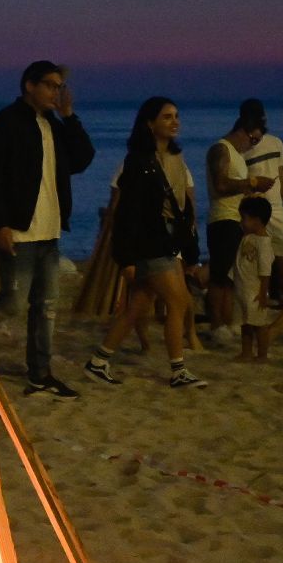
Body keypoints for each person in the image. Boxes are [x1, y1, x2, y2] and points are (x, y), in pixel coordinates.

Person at [0, 60, 96, 399]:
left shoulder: (54, 126)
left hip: (50, 231)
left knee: (47, 306)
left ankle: (40, 374)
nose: (57, 92)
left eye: (59, 87)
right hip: (19, 232)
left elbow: (83, 159)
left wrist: (70, 118)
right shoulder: (2, 125)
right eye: (51, 85)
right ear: (30, 85)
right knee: (11, 302)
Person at [82, 97, 207, 388]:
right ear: (149, 123)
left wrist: (190, 249)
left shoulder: (176, 157)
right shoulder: (138, 161)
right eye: (166, 117)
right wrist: (125, 258)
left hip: (169, 237)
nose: (175, 122)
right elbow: (126, 212)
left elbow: (184, 205)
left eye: (176, 116)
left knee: (138, 305)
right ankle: (178, 370)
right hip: (151, 241)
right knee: (178, 301)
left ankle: (99, 361)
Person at [204, 107, 272, 343]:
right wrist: (252, 182)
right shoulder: (221, 149)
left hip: (236, 219)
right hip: (223, 218)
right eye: (252, 139)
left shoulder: (237, 155)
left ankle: (227, 322)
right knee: (220, 275)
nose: (252, 145)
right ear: (242, 131)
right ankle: (216, 324)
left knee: (232, 276)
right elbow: (221, 185)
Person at [240, 101, 283, 323]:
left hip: (277, 211)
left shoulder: (275, 142)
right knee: (253, 271)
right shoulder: (239, 148)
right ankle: (253, 320)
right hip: (254, 215)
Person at [233, 196, 278, 363]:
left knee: (259, 324)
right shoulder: (248, 237)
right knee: (245, 322)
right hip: (243, 287)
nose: (241, 222)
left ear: (257, 220)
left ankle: (262, 354)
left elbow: (265, 271)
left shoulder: (264, 243)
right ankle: (246, 352)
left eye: (244, 218)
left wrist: (263, 292)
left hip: (254, 290)